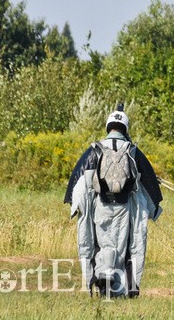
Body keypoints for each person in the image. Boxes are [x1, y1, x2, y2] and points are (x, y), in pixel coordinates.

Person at [64, 105, 163, 298]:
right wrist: (155, 209)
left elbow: (77, 179)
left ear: (108, 126)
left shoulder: (95, 150)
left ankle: (103, 277)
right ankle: (120, 289)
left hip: (100, 207)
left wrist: (74, 205)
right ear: (125, 128)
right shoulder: (132, 151)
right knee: (123, 247)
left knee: (102, 244)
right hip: (125, 208)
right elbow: (149, 182)